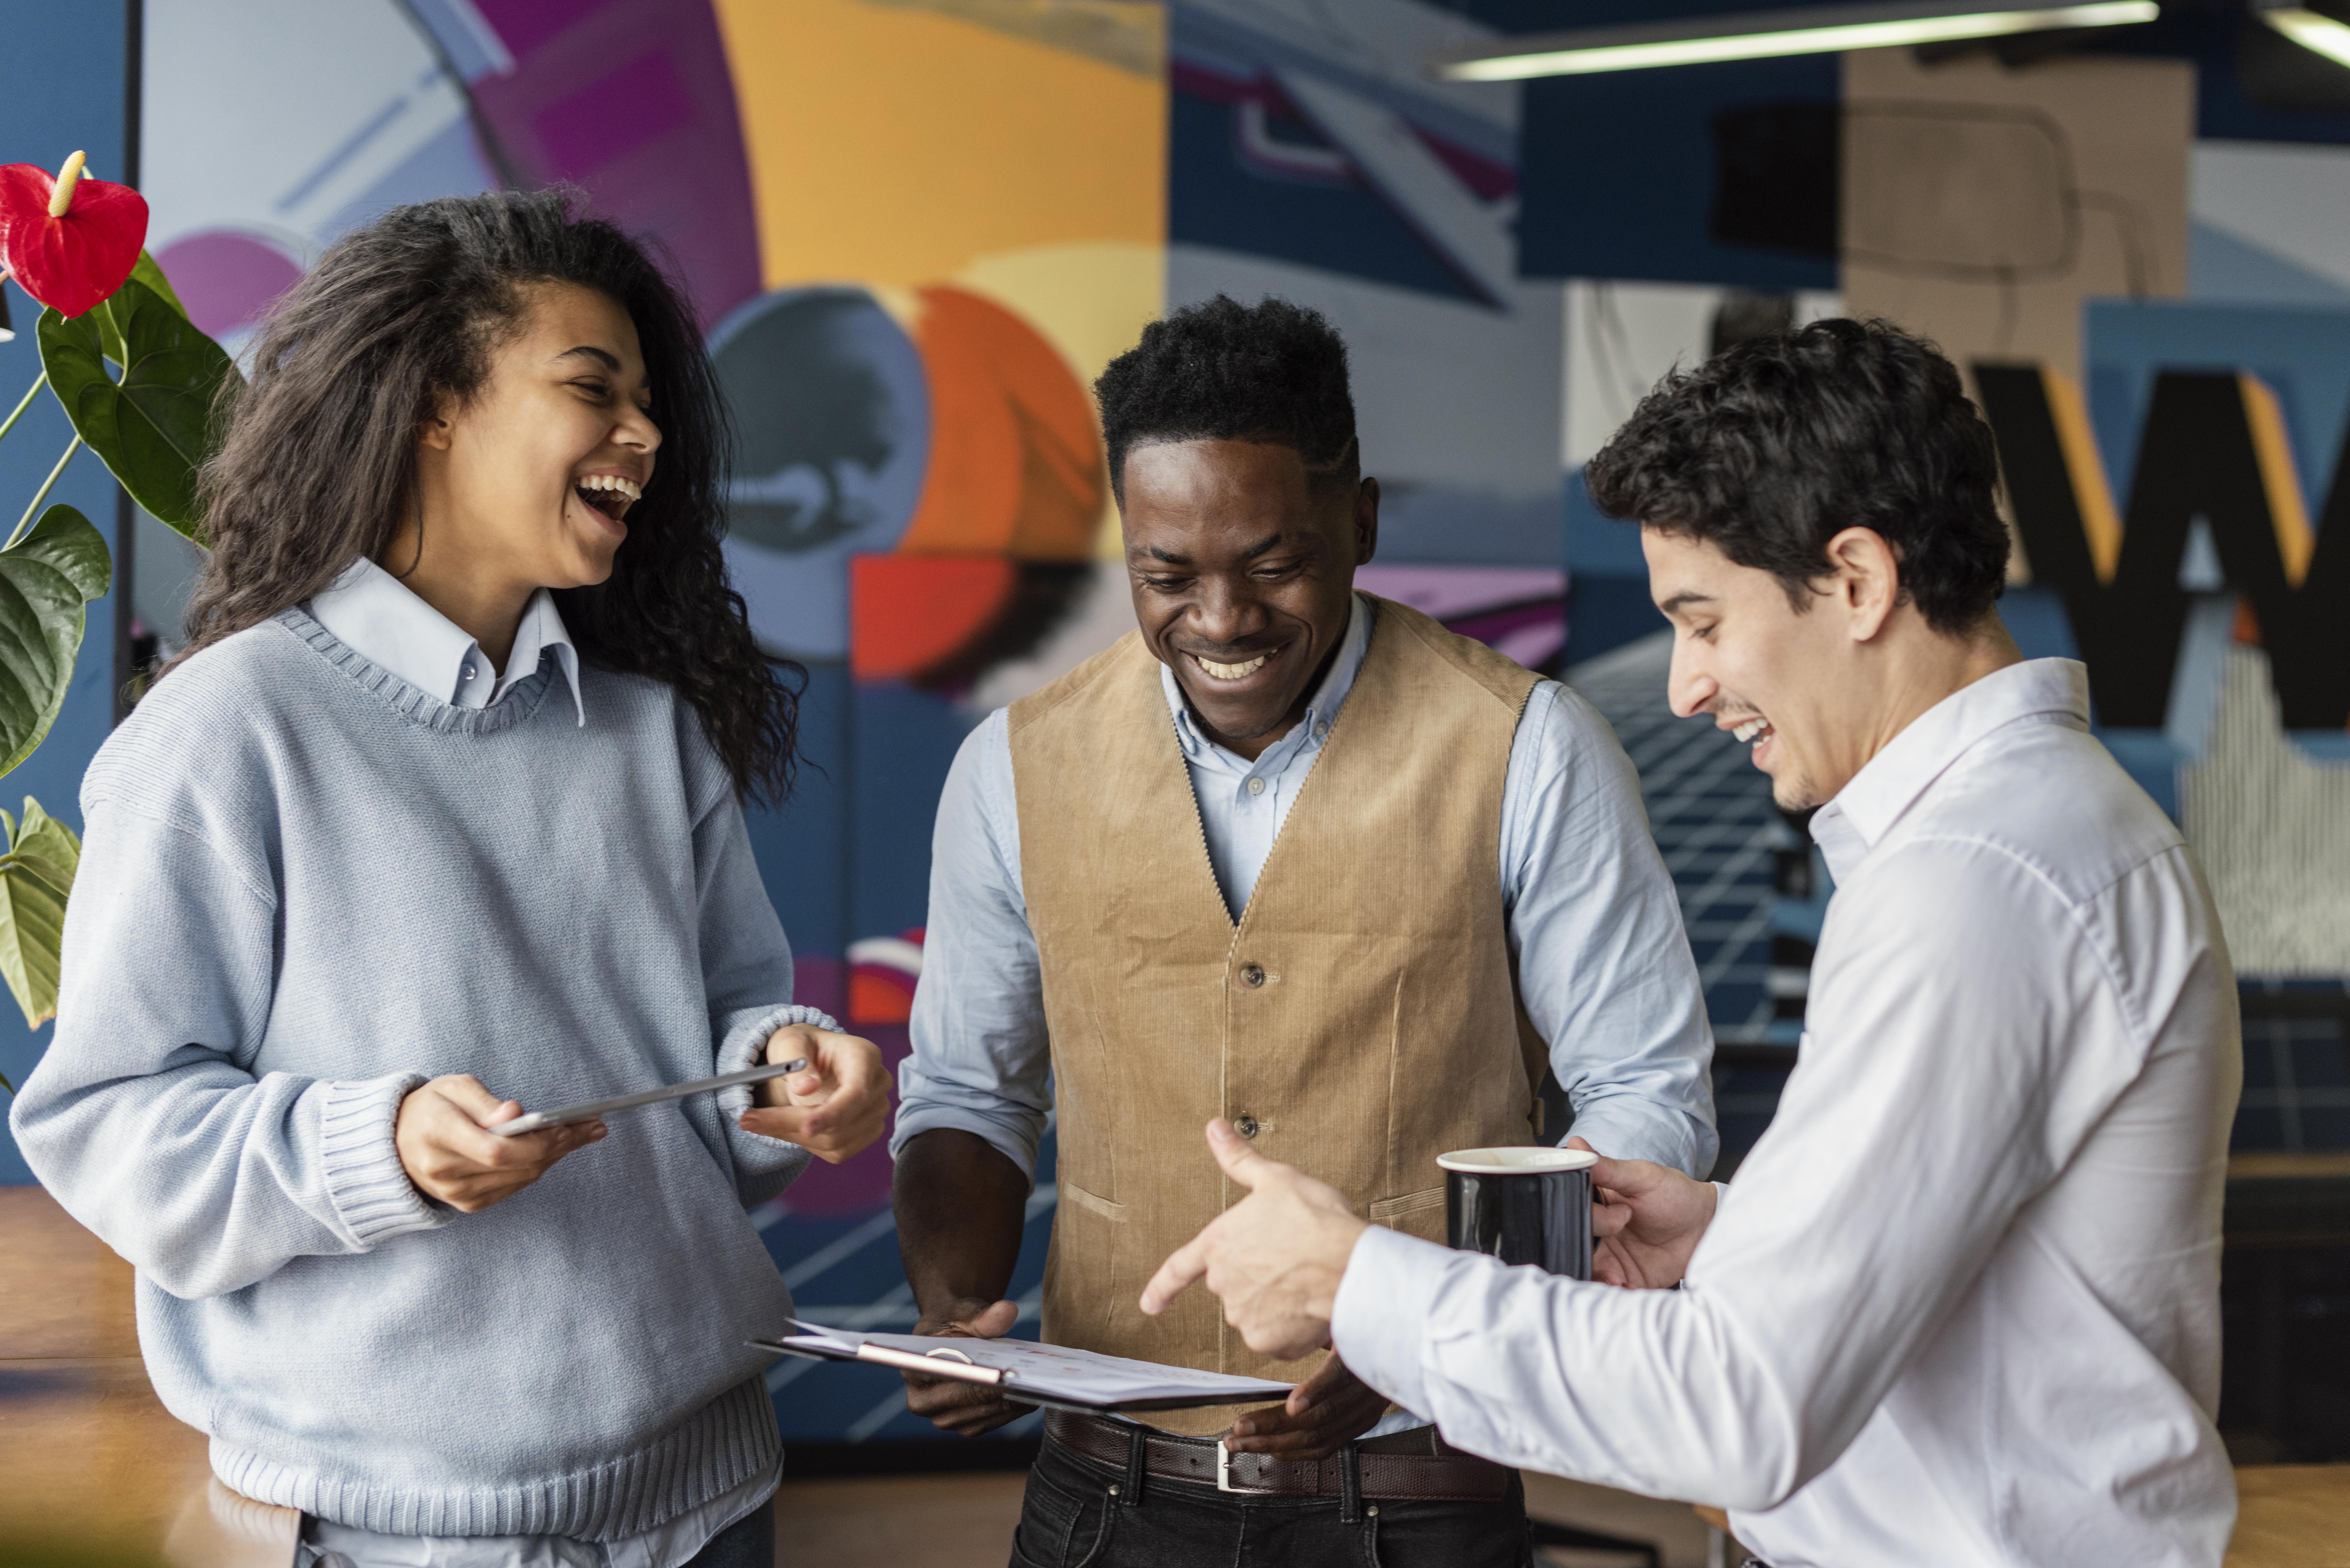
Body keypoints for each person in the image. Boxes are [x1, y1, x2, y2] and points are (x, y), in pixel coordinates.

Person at [1140, 318, 2245, 1568]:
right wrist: (1730, 1232)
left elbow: (1744, 1408)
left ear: (1859, 582)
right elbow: (1994, 1278)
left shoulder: (1974, 884)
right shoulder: (2035, 833)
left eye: (1704, 620)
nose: (1682, 686)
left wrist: (1355, 1281)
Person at [10, 191, 891, 1568]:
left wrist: (780, 1071)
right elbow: (110, 1124)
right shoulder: (222, 733)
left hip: (715, 1505)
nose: (647, 437)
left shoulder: (650, 735)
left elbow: (720, 1043)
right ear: (433, 403)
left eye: (651, 402)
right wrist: (380, 1147)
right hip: (388, 1538)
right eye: (593, 388)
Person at [891, 296, 1717, 1565]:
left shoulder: (1530, 748)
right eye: (1167, 574)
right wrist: (950, 1302)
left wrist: (1420, 1326)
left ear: (1362, 522)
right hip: (1106, 1496)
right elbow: (967, 1089)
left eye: (1272, 563)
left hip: (1416, 1491)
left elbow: (1642, 1091)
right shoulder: (1009, 766)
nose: (1219, 619)